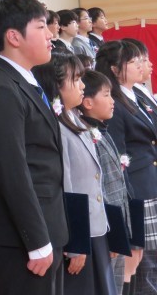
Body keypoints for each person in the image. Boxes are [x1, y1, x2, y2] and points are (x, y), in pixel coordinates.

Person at [0, 0, 68, 295]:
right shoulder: (0, 90)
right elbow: (12, 172)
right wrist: (36, 240)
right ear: (14, 37)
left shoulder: (25, 82)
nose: (50, 35)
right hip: (20, 236)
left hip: (46, 223)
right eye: (41, 27)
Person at [33, 53, 116, 294]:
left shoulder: (76, 118)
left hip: (95, 227)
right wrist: (76, 243)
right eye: (76, 79)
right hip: (79, 231)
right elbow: (66, 185)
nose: (82, 86)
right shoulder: (56, 127)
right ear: (56, 86)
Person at [95, 40, 156, 294]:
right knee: (143, 261)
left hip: (149, 179)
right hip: (137, 187)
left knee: (150, 259)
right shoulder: (116, 103)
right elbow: (119, 156)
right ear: (115, 69)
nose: (141, 65)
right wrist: (128, 197)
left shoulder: (135, 94)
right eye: (133, 61)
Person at [80, 70, 133, 295]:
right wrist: (113, 232)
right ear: (88, 102)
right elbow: (99, 188)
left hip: (117, 223)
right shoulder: (88, 135)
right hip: (108, 227)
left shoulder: (102, 130)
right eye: (106, 95)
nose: (112, 101)